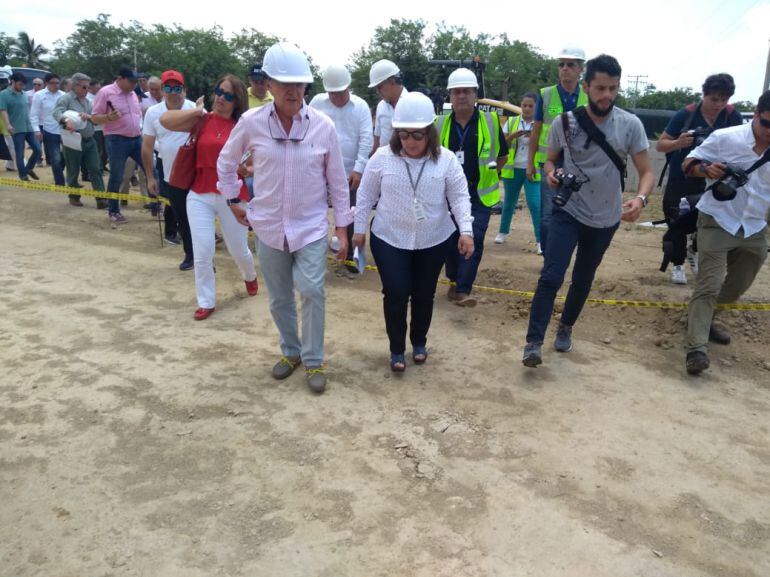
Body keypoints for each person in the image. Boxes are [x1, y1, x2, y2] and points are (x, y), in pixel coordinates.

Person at [217, 42, 351, 394]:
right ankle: (291, 352)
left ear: (307, 87)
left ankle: (314, 358)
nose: (293, 91)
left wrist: (342, 227)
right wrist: (233, 198)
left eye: (300, 84)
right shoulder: (252, 122)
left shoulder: (322, 127)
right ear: (269, 84)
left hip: (309, 228)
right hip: (268, 227)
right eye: (284, 83)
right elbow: (226, 161)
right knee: (278, 298)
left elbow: (337, 180)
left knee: (311, 289)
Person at [521, 54, 654, 368]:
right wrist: (551, 174)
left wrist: (642, 199)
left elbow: (646, 171)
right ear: (586, 87)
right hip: (568, 210)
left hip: (606, 218)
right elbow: (549, 159)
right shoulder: (564, 122)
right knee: (551, 275)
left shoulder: (630, 124)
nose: (606, 95)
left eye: (613, 88)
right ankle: (533, 342)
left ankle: (566, 326)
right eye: (600, 88)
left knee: (583, 278)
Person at [353, 92, 474, 372]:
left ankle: (419, 341)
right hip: (389, 237)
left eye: (417, 136)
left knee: (424, 293)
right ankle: (397, 348)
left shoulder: (445, 161)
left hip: (434, 239)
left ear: (430, 133)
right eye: (404, 134)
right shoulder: (382, 158)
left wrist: (466, 231)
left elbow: (459, 197)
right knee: (395, 292)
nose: (410, 141)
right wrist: (359, 230)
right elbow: (366, 195)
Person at [680, 90, 770, 376]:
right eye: (767, 123)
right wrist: (707, 170)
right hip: (718, 220)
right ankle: (696, 348)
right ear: (756, 115)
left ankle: (703, 318)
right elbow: (688, 164)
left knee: (737, 286)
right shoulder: (727, 138)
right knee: (709, 282)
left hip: (755, 226)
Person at [161, 74, 258, 319]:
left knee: (239, 249)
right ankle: (206, 301)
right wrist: (196, 113)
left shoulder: (244, 126)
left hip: (232, 193)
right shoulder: (201, 120)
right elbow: (165, 120)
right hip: (199, 191)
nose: (221, 98)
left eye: (228, 95)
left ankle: (249, 275)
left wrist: (248, 169)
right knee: (203, 250)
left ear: (237, 101)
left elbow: (259, 157)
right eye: (219, 91)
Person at [656, 73, 743, 285]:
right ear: (704, 96)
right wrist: (678, 143)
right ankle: (677, 263)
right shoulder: (686, 114)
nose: (719, 104)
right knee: (675, 219)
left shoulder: (732, 116)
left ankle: (693, 251)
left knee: (706, 220)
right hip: (682, 174)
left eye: (724, 100)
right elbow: (661, 145)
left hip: (716, 178)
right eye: (714, 99)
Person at [437, 68, 508, 307]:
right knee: (451, 239)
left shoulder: (490, 122)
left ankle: (463, 290)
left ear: (475, 94)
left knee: (473, 238)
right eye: (456, 92)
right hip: (448, 196)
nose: (461, 96)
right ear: (450, 96)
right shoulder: (440, 124)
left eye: (466, 91)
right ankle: (454, 280)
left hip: (479, 196)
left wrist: (490, 176)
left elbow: (502, 155)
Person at [309, 64, 373, 272]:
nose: (336, 97)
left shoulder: (360, 106)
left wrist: (359, 169)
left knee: (351, 214)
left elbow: (366, 139)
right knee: (316, 213)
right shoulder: (317, 103)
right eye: (332, 93)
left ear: (348, 88)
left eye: (340, 93)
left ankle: (352, 261)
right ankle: (315, 257)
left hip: (349, 172)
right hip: (319, 170)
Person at [527, 46, 588, 254]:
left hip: (578, 165)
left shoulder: (588, 97)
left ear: (581, 69)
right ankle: (547, 252)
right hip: (549, 164)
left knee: (576, 212)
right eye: (561, 64)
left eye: (570, 65)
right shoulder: (546, 94)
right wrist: (530, 163)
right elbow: (535, 131)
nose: (565, 69)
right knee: (548, 213)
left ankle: (566, 251)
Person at [143, 69, 197, 268]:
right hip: (171, 174)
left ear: (184, 89)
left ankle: (204, 258)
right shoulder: (153, 113)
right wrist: (150, 177)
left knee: (200, 219)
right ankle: (190, 256)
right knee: (181, 217)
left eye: (177, 87)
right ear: (162, 90)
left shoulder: (196, 109)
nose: (173, 92)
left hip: (196, 173)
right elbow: (147, 147)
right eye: (168, 87)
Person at [92, 67, 144, 223]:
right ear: (120, 78)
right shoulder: (106, 93)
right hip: (117, 139)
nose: (134, 84)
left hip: (136, 138)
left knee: (150, 169)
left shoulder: (133, 94)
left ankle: (155, 204)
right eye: (131, 81)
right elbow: (94, 118)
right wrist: (108, 117)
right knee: (117, 175)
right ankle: (113, 210)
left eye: (136, 81)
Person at [52, 72, 107, 208]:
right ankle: (74, 196)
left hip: (90, 139)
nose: (87, 90)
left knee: (96, 168)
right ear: (75, 86)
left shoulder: (88, 101)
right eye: (84, 87)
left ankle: (101, 199)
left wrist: (89, 117)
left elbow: (94, 119)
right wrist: (66, 120)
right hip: (72, 140)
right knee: (73, 170)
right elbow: (56, 112)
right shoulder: (66, 99)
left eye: (88, 87)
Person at [496, 92, 542, 251]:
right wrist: (513, 136)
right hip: (513, 170)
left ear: (536, 107)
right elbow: (502, 144)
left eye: (531, 106)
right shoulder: (512, 122)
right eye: (525, 105)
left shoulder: (540, 123)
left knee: (535, 204)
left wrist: (535, 139)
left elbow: (545, 147)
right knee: (509, 203)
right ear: (521, 105)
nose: (527, 109)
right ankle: (502, 232)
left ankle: (540, 240)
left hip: (532, 170)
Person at [0, 72, 42, 181]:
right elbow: (3, 110)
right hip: (16, 128)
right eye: (20, 84)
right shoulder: (4, 94)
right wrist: (8, 125)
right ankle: (23, 175)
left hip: (28, 127)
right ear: (13, 82)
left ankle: (28, 169)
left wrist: (34, 126)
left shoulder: (24, 94)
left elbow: (28, 111)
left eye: (23, 85)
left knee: (38, 150)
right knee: (20, 153)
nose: (22, 87)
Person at [30, 73, 66, 187]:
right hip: (49, 130)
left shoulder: (63, 95)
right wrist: (36, 130)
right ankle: (60, 182)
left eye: (57, 83)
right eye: (53, 83)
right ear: (46, 83)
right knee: (55, 157)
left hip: (65, 129)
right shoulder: (39, 95)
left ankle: (59, 174)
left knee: (66, 156)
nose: (56, 85)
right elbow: (34, 114)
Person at [369, 59, 407, 153]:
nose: (377, 92)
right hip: (384, 163)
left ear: (392, 81)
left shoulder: (413, 104)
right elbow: (377, 138)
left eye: (380, 87)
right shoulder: (381, 106)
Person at [87, 80, 108, 170]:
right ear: (91, 88)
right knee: (98, 149)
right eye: (98, 88)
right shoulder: (87, 98)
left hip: (104, 127)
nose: (100, 90)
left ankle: (102, 165)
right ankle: (98, 167)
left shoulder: (101, 97)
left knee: (105, 149)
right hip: (95, 128)